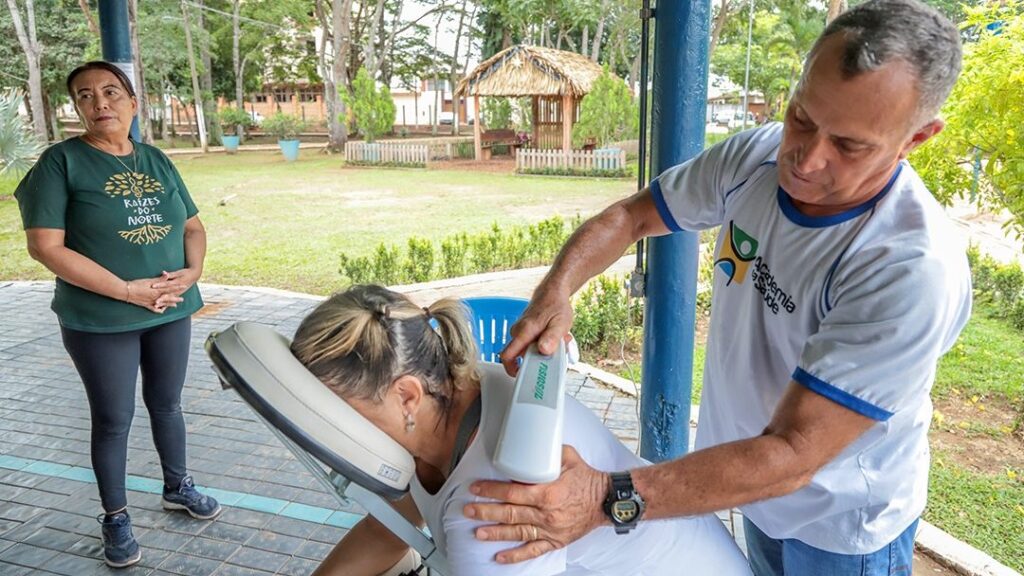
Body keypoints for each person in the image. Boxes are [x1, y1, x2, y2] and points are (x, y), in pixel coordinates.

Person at [461, 1, 973, 575]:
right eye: (802, 116)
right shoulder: (755, 157)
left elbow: (794, 454)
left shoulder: (906, 267)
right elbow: (632, 217)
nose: (805, 157)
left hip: (842, 521)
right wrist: (557, 289)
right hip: (754, 487)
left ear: (917, 138)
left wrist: (604, 496)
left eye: (850, 146)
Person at [293, 285, 753, 576]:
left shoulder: (494, 503)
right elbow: (386, 530)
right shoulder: (464, 395)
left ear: (407, 397)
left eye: (339, 414)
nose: (335, 431)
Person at [14, 61, 220, 569]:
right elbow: (46, 246)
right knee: (113, 420)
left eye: (111, 91)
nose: (99, 102)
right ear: (77, 108)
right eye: (85, 96)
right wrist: (127, 291)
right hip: (100, 317)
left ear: (133, 101)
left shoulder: (156, 159)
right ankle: (116, 515)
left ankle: (178, 485)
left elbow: (193, 226)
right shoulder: (60, 162)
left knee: (167, 405)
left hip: (170, 307)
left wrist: (192, 273)